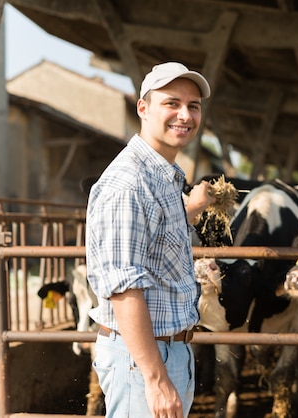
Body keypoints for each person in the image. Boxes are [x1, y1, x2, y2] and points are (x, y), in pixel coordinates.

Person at [85, 62, 216, 417]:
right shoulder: (129, 183)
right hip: (142, 360)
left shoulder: (163, 175)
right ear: (143, 108)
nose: (184, 115)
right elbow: (124, 286)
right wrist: (155, 378)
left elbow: (154, 238)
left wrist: (192, 209)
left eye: (194, 106)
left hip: (168, 352)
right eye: (171, 103)